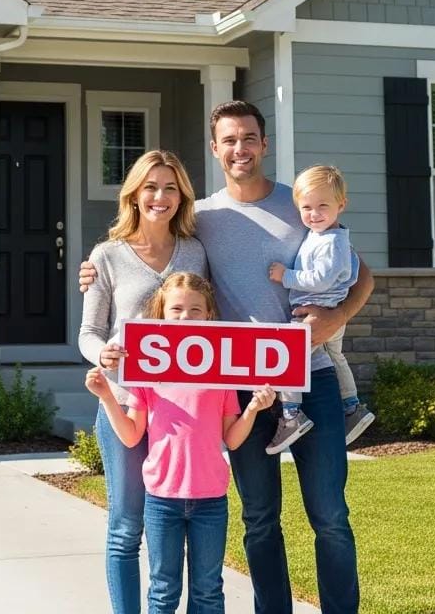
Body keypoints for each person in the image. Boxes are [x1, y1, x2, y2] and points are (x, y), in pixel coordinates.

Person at [81, 101, 372, 614]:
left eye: (249, 138)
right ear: (215, 149)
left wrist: (336, 317)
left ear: (264, 143)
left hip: (313, 376)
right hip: (246, 390)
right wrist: (96, 270)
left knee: (329, 515)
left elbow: (360, 273)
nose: (240, 149)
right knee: (260, 518)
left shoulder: (302, 203)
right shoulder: (204, 221)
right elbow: (163, 272)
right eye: (229, 140)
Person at [85, 273, 276, 614]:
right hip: (162, 502)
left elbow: (231, 439)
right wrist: (106, 397)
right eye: (176, 309)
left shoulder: (221, 375)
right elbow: (131, 435)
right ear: (161, 314)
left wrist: (252, 409)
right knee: (163, 591)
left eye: (195, 309)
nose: (185, 316)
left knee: (208, 591)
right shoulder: (148, 371)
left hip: (210, 502)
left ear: (209, 315)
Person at [78, 150, 208, 614]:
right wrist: (102, 353)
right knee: (126, 525)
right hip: (126, 401)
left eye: (170, 187)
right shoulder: (106, 256)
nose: (160, 197)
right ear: (134, 194)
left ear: (182, 196)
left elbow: (208, 324)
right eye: (151, 187)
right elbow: (88, 333)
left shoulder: (194, 250)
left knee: (174, 522)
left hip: (182, 413)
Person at [264, 164, 375, 454]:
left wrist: (285, 275)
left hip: (317, 311)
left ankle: (291, 414)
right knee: (336, 356)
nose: (314, 214)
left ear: (342, 204)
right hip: (328, 308)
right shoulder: (328, 235)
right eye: (306, 207)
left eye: (322, 206)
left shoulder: (332, 243)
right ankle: (352, 406)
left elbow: (320, 279)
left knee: (287, 360)